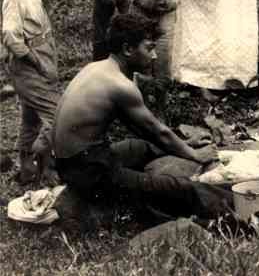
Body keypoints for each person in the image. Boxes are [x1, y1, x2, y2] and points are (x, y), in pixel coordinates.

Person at [53, 13, 231, 219]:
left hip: (74, 163)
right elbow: (157, 132)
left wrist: (185, 141)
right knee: (180, 189)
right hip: (89, 172)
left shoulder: (96, 68)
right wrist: (194, 154)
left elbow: (143, 129)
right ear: (128, 49)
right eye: (149, 48)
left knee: (140, 147)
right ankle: (241, 210)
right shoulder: (120, 85)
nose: (154, 55)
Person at [1, 0, 59, 184]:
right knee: (57, 116)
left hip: (42, 56)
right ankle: (43, 163)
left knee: (31, 119)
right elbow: (11, 36)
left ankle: (27, 169)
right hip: (28, 67)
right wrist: (35, 60)